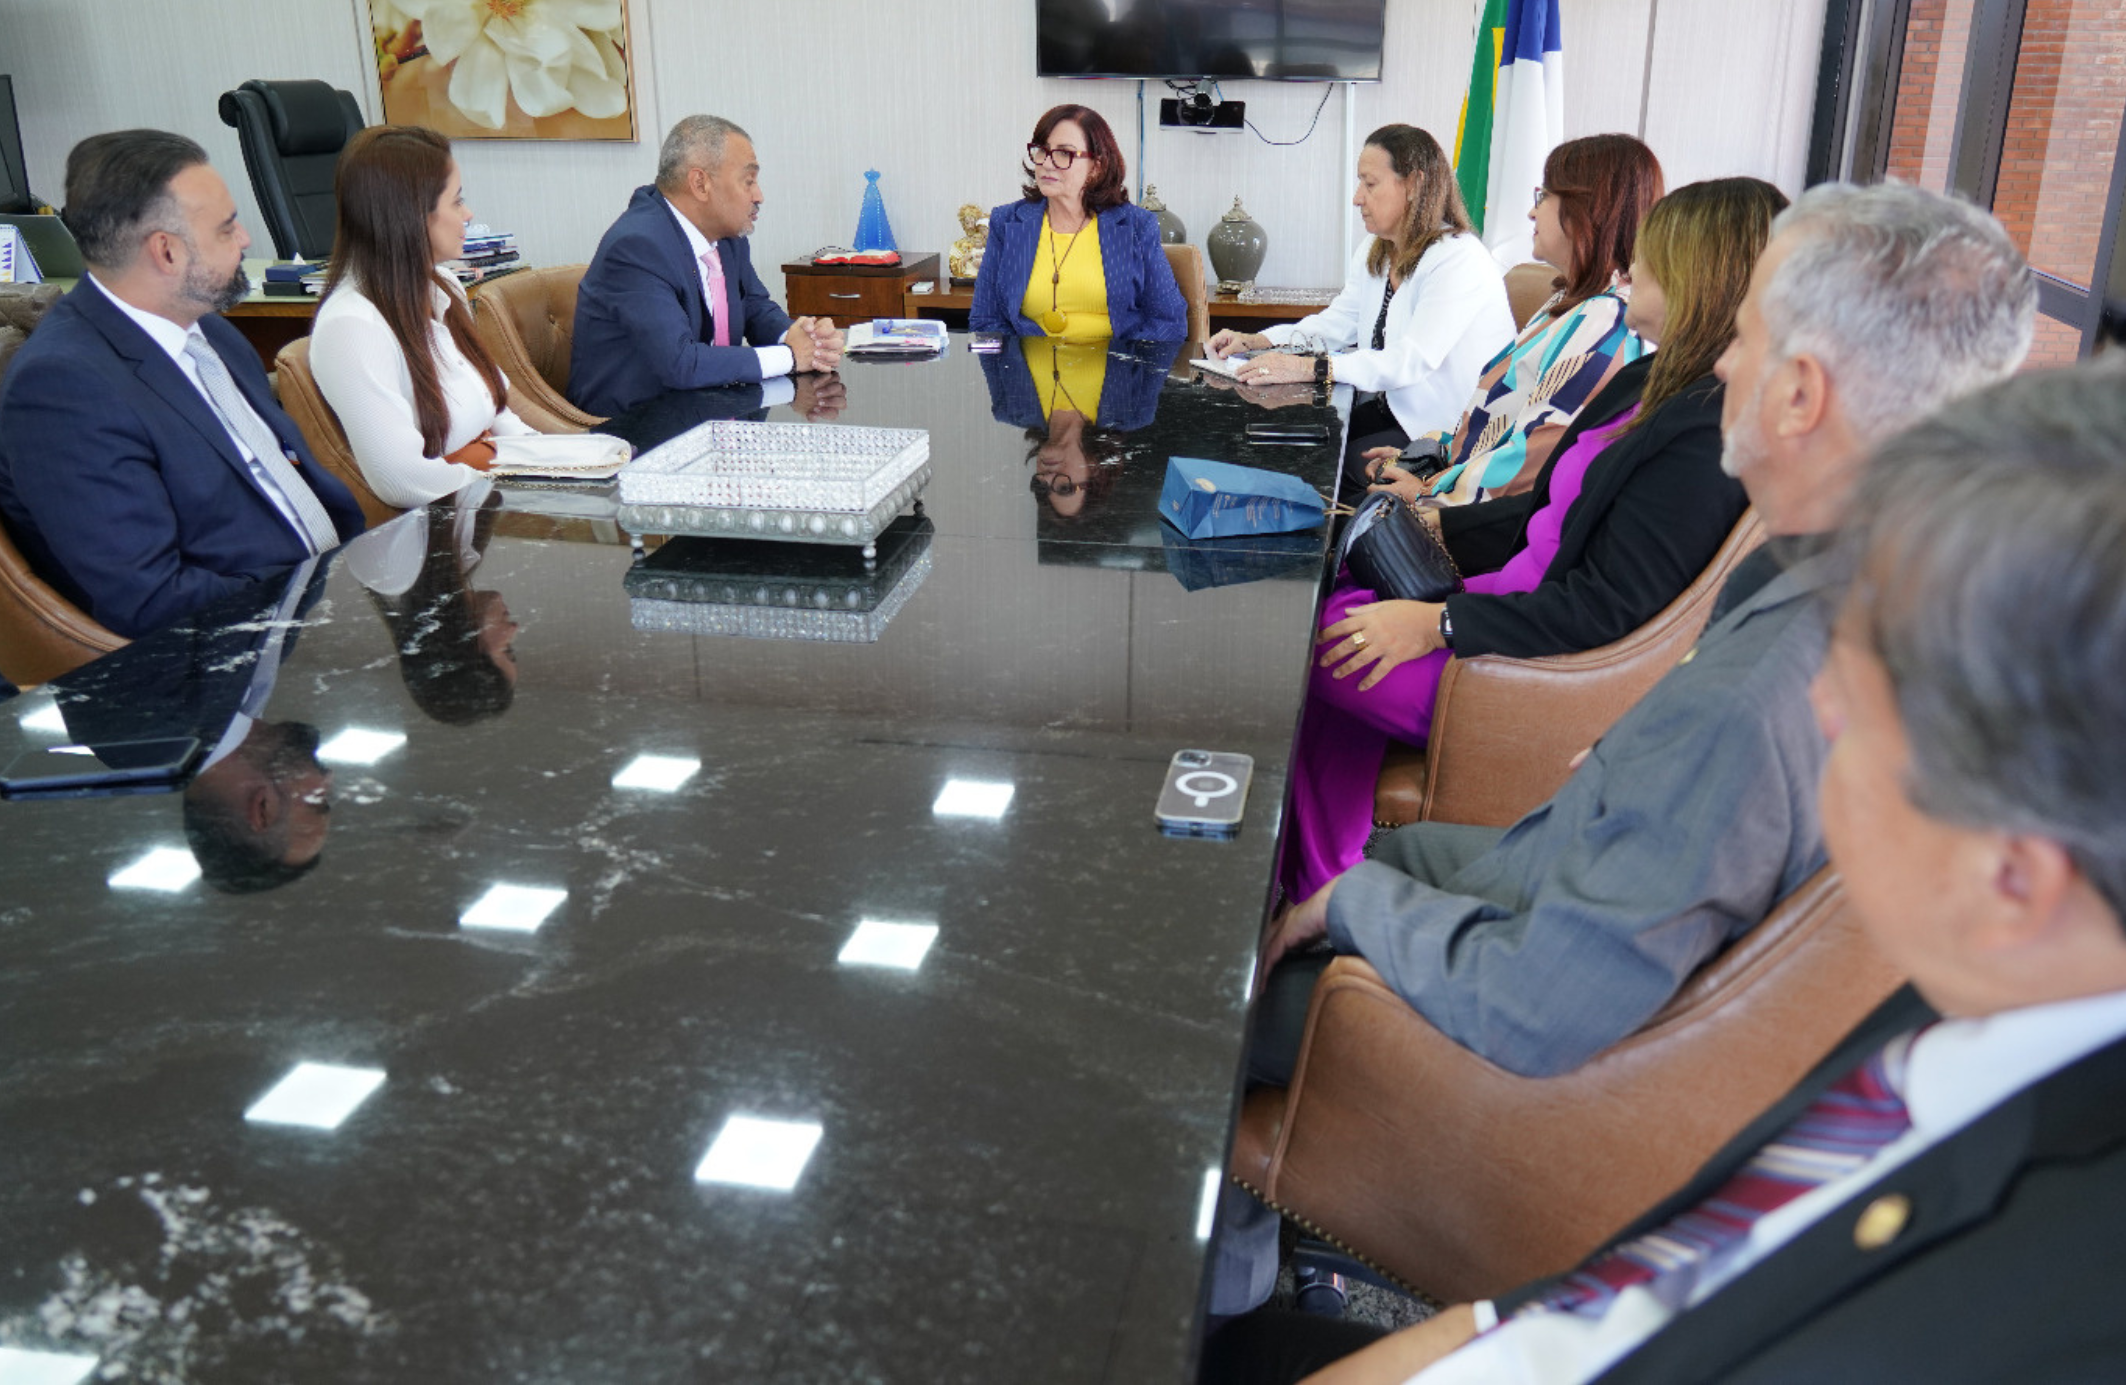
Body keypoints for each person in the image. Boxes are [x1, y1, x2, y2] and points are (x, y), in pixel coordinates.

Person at [1207, 181, 2038, 1319]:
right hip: (1550, 949)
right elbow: (1570, 867)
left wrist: (1347, 907)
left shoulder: (1757, 696)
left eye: (1743, 337)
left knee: (1181, 1011)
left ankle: (1211, 1287)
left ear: (1798, 393)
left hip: (1515, 1065)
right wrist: (1369, 881)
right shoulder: (1864, 595)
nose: (1720, 367)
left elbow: (1536, 1002)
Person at [1278, 177, 1785, 903]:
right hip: (1509, 606)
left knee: (1326, 648)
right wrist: (1436, 525)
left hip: (1539, 666)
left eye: (1652, 253)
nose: (1631, 265)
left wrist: (1438, 622)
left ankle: (1318, 886)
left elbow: (1609, 608)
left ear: (1700, 274)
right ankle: (1318, 876)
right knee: (1341, 598)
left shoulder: (1706, 430)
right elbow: (1541, 511)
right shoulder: (1648, 378)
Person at [0, 129, 363, 639]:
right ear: (166, 252)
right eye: (227, 228)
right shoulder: (61, 388)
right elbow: (150, 600)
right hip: (226, 665)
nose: (245, 240)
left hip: (328, 604)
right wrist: (309, 598)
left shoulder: (210, 331)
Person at [1206, 125, 1514, 479]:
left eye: (1370, 184)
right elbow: (1337, 322)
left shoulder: (1459, 259)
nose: (1357, 198)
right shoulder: (1377, 249)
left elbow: (1411, 361)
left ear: (1413, 184)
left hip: (1442, 433)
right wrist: (1258, 341)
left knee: (1319, 464)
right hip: (1387, 409)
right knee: (1273, 439)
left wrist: (1310, 368)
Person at [1389, 134, 1663, 504]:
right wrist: (1433, 453)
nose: (1533, 212)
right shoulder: (1574, 300)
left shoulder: (1607, 321)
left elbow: (1533, 461)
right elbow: (1504, 422)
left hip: (1468, 526)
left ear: (1587, 210)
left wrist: (1427, 493)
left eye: (1545, 196)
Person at [309, 126, 536, 510]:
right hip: (441, 534)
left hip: (483, 509)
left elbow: (499, 413)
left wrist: (557, 464)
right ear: (412, 215)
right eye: (456, 201)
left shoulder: (443, 286)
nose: (468, 214)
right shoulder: (351, 327)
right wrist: (504, 479)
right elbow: (402, 481)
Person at [568, 115, 843, 418]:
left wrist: (796, 335)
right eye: (748, 181)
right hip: (636, 433)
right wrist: (790, 357)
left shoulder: (725, 235)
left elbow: (752, 305)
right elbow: (681, 363)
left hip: (712, 414)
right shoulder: (637, 247)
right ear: (700, 183)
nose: (759, 196)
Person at [969, 104, 1187, 341]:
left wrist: (1129, 371)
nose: (1047, 163)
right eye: (1042, 150)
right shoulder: (1007, 222)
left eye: (1065, 153)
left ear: (1096, 167)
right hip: (1027, 373)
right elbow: (985, 320)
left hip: (1115, 373)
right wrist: (1011, 373)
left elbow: (1169, 322)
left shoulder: (1136, 226)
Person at [980, 334, 1176, 520]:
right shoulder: (1134, 410)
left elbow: (984, 334)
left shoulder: (1008, 408)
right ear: (1095, 472)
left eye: (1041, 487)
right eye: (1064, 487)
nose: (1047, 478)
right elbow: (1166, 326)